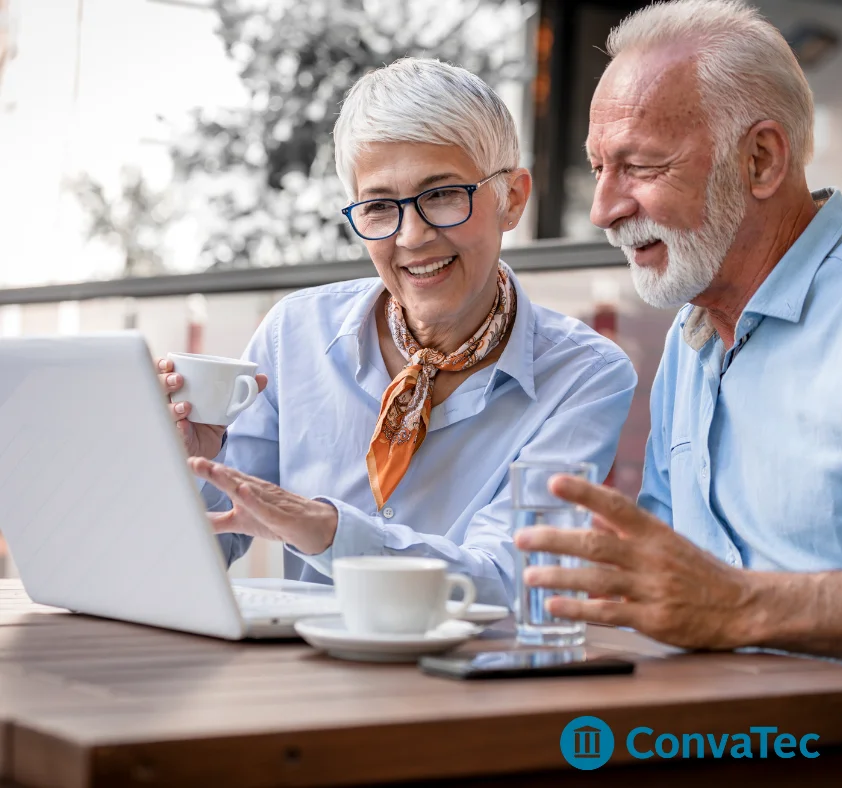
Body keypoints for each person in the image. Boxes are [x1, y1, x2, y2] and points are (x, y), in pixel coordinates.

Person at [517, 0, 842, 683]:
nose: (604, 209)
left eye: (642, 167)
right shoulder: (691, 345)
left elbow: (714, 605)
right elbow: (666, 582)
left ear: (761, 159)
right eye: (599, 168)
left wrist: (738, 607)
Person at [158, 57, 637, 605]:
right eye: (381, 206)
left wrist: (332, 533)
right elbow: (195, 554)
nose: (412, 236)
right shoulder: (293, 336)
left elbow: (510, 581)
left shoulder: (584, 376)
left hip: (473, 684)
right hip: (306, 680)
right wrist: (182, 468)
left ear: (513, 198)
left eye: (442, 195)